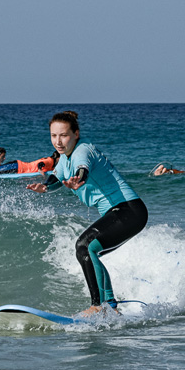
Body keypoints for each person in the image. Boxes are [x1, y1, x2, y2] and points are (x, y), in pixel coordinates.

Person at [27, 111, 148, 315]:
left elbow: (83, 170)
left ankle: (97, 306)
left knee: (84, 246)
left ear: (76, 133)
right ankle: (110, 306)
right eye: (54, 136)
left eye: (64, 135)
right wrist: (45, 187)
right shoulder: (64, 159)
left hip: (129, 210)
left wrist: (78, 179)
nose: (58, 141)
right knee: (90, 251)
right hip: (122, 212)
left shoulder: (83, 150)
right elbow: (56, 178)